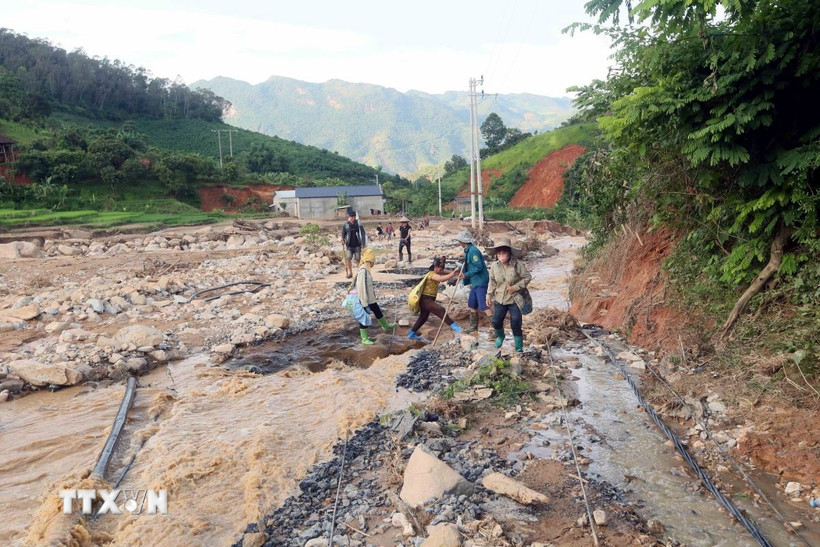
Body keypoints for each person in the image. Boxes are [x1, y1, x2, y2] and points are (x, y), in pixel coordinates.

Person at [486, 237, 531, 353]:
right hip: (500, 298)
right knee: (496, 321)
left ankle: (519, 346)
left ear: (509, 253)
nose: (501, 255)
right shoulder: (494, 266)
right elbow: (492, 282)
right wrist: (488, 295)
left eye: (504, 253)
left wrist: (516, 287)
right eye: (499, 253)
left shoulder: (517, 265)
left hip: (514, 299)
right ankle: (501, 336)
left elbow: (527, 277)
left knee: (516, 321)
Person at [408, 256, 463, 340]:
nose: (441, 271)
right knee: (440, 309)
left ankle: (411, 333)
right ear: (436, 267)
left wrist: (455, 273)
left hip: (430, 299)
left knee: (423, 317)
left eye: (441, 270)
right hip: (425, 299)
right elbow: (441, 279)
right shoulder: (432, 274)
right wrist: (452, 274)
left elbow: (444, 271)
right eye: (440, 270)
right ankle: (455, 327)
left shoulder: (437, 271)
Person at [354, 248, 396, 345]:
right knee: (364, 317)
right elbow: (361, 288)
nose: (374, 264)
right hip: (364, 300)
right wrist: (364, 303)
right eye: (373, 262)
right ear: (369, 261)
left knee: (377, 310)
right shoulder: (362, 271)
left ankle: (386, 326)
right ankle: (364, 338)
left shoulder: (367, 270)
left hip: (370, 299)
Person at [455, 231, 490, 334]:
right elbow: (470, 266)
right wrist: (462, 269)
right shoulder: (468, 250)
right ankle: (473, 326)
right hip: (474, 282)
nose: (459, 243)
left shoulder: (473, 251)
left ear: (463, 242)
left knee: (483, 305)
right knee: (472, 305)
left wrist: (466, 275)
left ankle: (496, 328)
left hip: (480, 281)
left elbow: (478, 266)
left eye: (460, 241)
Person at [341, 212, 366, 279]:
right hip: (349, 245)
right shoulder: (346, 225)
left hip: (357, 244)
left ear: (355, 217)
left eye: (354, 217)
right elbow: (343, 233)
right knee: (348, 258)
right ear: (349, 217)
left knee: (358, 259)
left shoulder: (358, 224)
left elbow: (363, 233)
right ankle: (350, 273)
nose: (352, 218)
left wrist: (363, 242)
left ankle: (359, 273)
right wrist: (343, 239)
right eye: (351, 217)